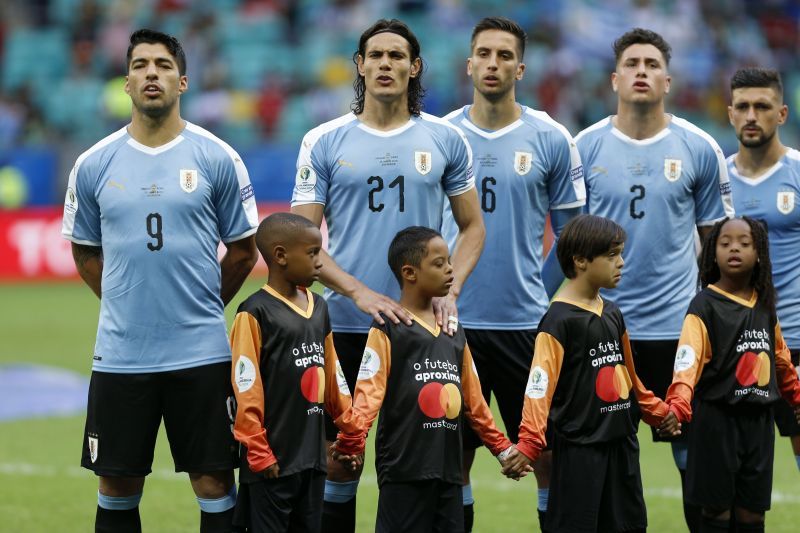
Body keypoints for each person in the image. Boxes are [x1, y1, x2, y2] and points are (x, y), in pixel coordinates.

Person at [290, 18, 485, 532]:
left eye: (397, 56)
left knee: (435, 459)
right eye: (375, 55)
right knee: (341, 458)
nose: (385, 64)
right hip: (350, 325)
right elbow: (303, 242)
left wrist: (451, 290)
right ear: (359, 64)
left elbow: (472, 227)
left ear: (414, 66)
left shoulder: (447, 139)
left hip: (421, 334)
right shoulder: (323, 141)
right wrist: (358, 291)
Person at [61, 29, 259, 533]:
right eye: (141, 65)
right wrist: (124, 302)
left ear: (183, 80)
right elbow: (84, 250)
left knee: (214, 481)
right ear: (126, 82)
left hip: (201, 352)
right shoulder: (93, 164)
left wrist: (199, 305)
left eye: (164, 65)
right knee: (116, 484)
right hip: (121, 354)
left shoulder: (217, 156)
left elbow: (242, 250)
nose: (152, 73)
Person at [574, 27, 733, 532]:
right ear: (615, 78)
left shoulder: (699, 147)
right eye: (632, 64)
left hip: (678, 329)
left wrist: (717, 317)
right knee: (607, 456)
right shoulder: (582, 147)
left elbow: (716, 245)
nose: (641, 71)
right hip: (604, 332)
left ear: (668, 79)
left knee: (694, 460)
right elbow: (570, 246)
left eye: (651, 64)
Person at [440, 16, 585, 532]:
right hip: (453, 325)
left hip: (525, 326)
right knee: (451, 455)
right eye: (484, 53)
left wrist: (540, 297)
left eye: (504, 55)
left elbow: (573, 238)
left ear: (520, 67)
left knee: (544, 451)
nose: (493, 63)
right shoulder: (440, 135)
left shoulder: (550, 137)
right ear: (469, 63)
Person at [331, 226, 525, 532]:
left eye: (449, 261)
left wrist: (502, 448)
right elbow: (368, 397)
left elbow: (474, 403)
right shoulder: (388, 329)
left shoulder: (452, 330)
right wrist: (352, 444)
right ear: (409, 273)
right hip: (403, 472)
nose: (451, 270)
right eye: (439, 263)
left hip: (448, 474)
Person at [505, 214, 680, 533]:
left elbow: (629, 377)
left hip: (623, 447)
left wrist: (657, 411)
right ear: (581, 261)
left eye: (621, 253)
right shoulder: (557, 321)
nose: (621, 263)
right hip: (580, 455)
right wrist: (530, 444)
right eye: (612, 255)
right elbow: (538, 390)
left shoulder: (612, 313)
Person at [665, 216, 800, 533]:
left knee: (753, 515)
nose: (734, 248)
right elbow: (687, 364)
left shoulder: (765, 306)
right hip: (715, 423)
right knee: (717, 513)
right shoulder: (703, 306)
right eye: (725, 243)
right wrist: (679, 405)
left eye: (744, 243)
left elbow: (780, 359)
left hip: (758, 425)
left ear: (759, 254)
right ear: (713, 253)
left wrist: (796, 398)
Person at [228, 213, 352, 532]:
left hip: (312, 461)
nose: (318, 263)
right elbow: (246, 387)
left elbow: (332, 375)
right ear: (281, 255)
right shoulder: (253, 312)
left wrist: (349, 432)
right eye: (312, 253)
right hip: (271, 463)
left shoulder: (319, 307)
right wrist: (257, 450)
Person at [725, 67, 800, 476]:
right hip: (733, 342)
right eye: (743, 106)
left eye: (763, 106)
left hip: (796, 336)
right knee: (739, 468)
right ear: (730, 113)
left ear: (782, 114)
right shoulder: (716, 177)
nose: (752, 115)